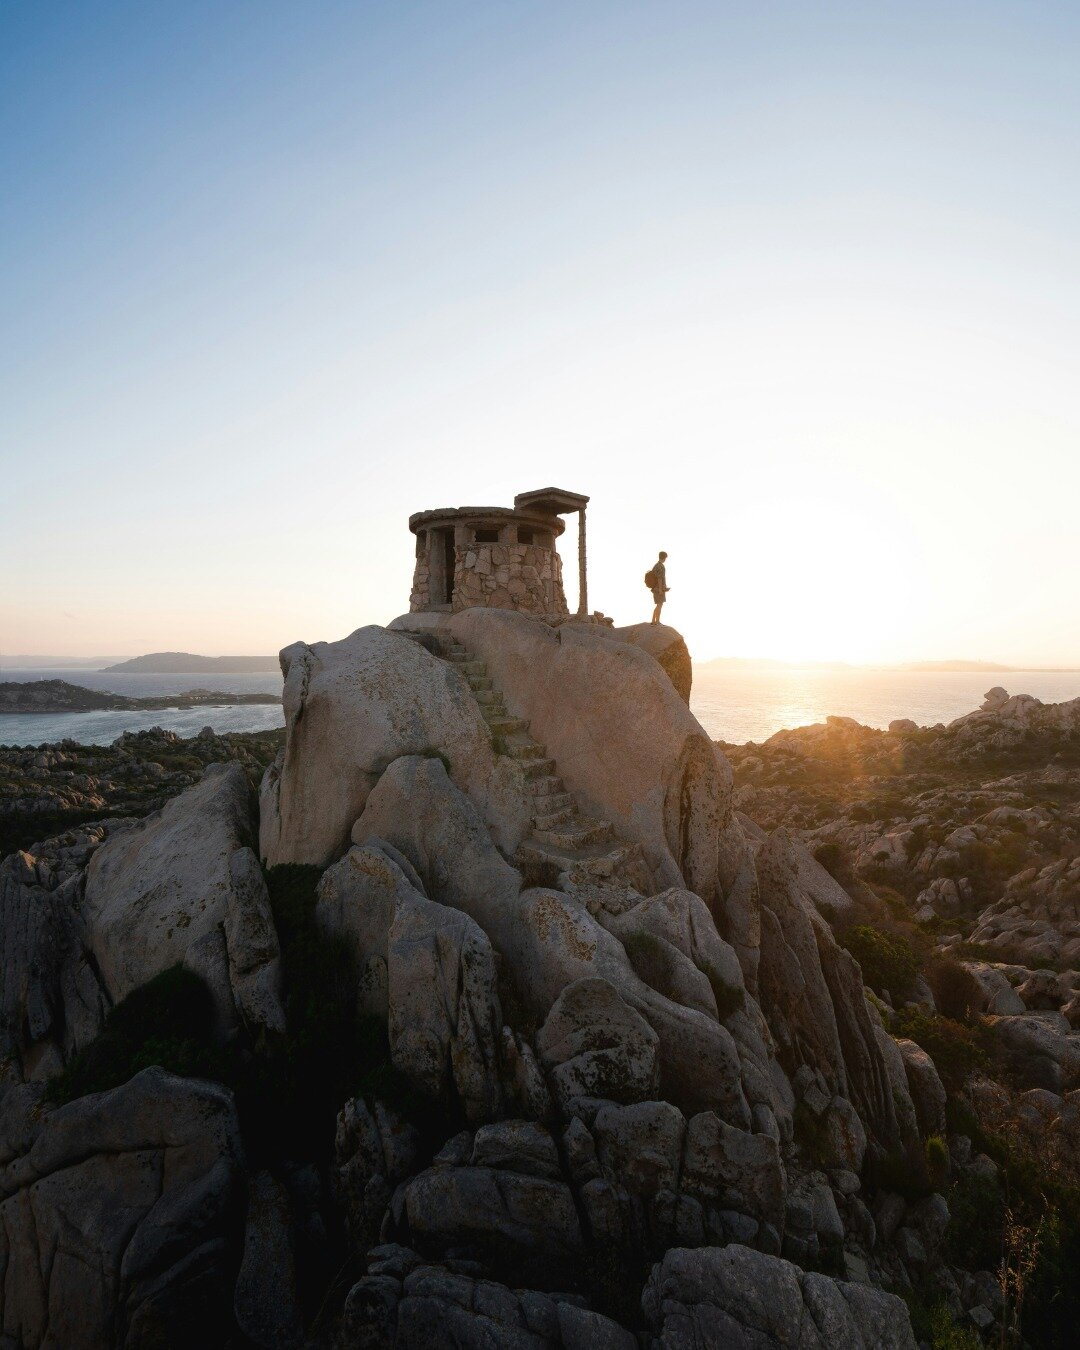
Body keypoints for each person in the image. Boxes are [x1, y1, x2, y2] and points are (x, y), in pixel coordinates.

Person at [650, 551, 669, 624]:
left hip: (655, 588)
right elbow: (659, 578)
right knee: (660, 605)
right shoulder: (660, 566)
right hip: (658, 589)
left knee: (658, 605)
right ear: (664, 558)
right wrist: (661, 590)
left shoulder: (656, 565)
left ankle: (653, 621)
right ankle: (657, 621)